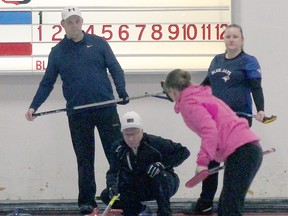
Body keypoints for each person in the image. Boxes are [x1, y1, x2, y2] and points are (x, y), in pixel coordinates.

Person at [25, 6, 129, 216]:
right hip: (78, 114)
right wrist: (34, 106)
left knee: (116, 155)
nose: (74, 25)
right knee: (84, 158)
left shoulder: (99, 44)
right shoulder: (57, 52)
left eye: (77, 21)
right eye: (69, 22)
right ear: (62, 25)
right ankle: (87, 202)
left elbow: (115, 68)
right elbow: (47, 83)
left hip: (106, 109)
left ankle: (122, 197)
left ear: (82, 22)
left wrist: (122, 91)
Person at [185, 24, 266, 215]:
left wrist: (261, 109)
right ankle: (205, 203)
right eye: (228, 36)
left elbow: (256, 87)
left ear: (242, 40)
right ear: (224, 39)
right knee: (211, 162)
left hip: (237, 121)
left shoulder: (249, 61)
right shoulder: (216, 60)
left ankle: (230, 207)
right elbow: (206, 85)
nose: (231, 39)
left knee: (234, 168)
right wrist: (186, 93)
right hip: (215, 121)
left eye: (235, 36)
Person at [163, 69, 263, 216]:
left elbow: (209, 130)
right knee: (226, 207)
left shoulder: (189, 103)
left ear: (172, 90)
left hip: (242, 151)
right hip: (245, 149)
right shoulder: (200, 95)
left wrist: (202, 162)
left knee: (229, 209)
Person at [100, 111, 190, 216]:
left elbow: (184, 152)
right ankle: (139, 210)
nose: (130, 139)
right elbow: (113, 171)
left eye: (134, 134)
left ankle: (164, 212)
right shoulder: (118, 148)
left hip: (162, 184)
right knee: (106, 195)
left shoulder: (155, 142)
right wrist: (111, 185)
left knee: (161, 176)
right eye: (127, 135)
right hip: (137, 186)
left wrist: (163, 164)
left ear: (141, 131)